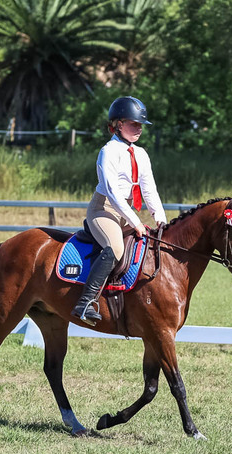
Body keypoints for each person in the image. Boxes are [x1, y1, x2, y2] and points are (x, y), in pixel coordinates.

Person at [71, 96, 168, 325]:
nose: (139, 128)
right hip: (103, 209)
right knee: (115, 247)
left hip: (125, 211)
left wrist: (161, 219)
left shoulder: (141, 154)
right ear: (118, 124)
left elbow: (149, 190)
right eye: (134, 124)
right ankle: (86, 302)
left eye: (141, 124)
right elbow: (112, 193)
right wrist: (135, 222)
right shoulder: (108, 151)